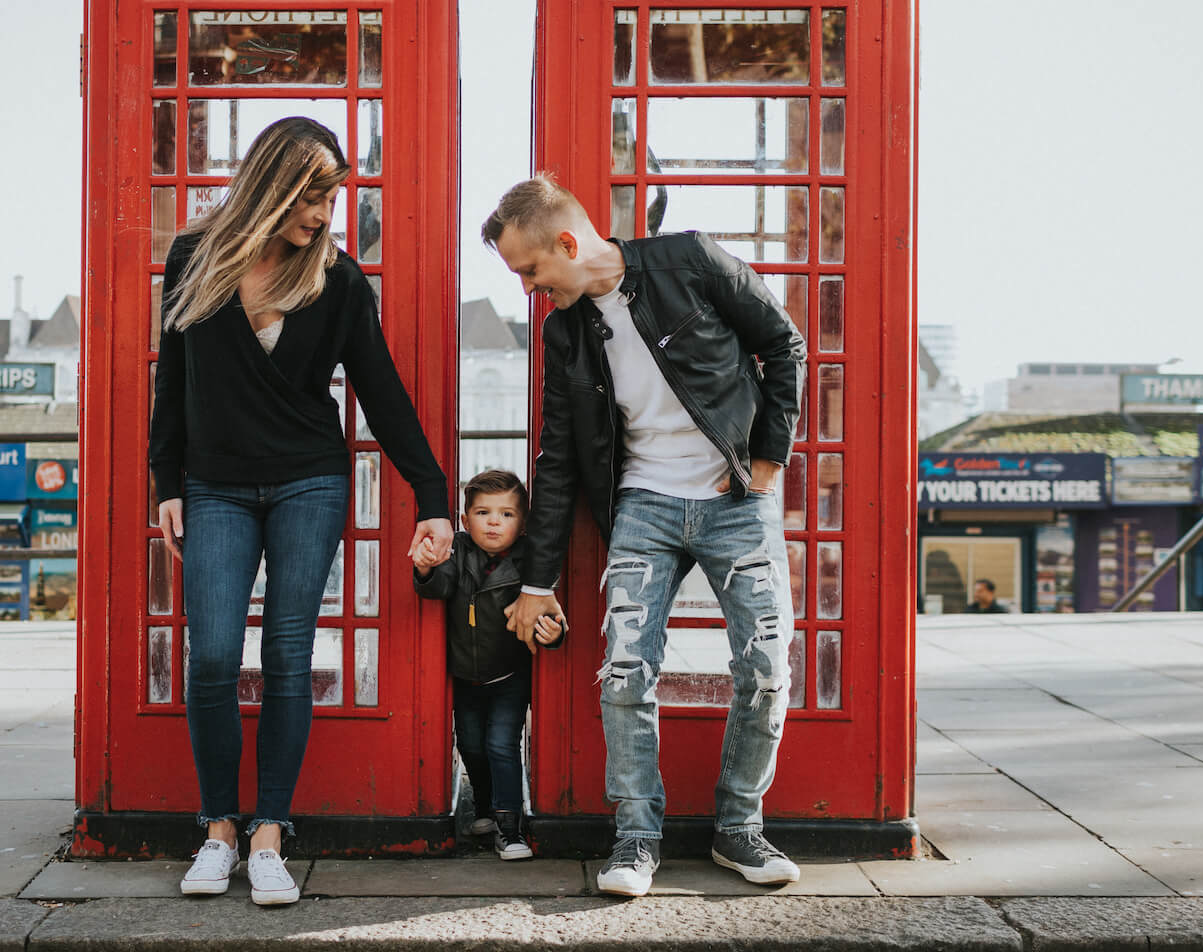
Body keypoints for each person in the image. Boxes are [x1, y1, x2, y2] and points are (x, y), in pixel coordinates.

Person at [150, 116, 452, 906]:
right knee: (212, 657)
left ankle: (269, 835)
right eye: (312, 195)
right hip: (214, 484)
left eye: (331, 199)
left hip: (308, 481)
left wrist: (433, 496)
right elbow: (171, 380)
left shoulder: (339, 280)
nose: (323, 214)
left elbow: (381, 392)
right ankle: (217, 828)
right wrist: (166, 481)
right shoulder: (195, 257)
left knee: (288, 657)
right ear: (271, 183)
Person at [484, 175, 806, 897]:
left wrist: (767, 459)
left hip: (735, 498)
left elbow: (784, 345)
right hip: (644, 507)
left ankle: (738, 829)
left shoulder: (689, 261)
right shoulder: (564, 329)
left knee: (766, 669)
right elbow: (559, 454)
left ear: (568, 243)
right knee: (626, 671)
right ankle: (636, 837)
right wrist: (536, 582)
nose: (530, 288)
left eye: (531, 270)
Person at [412, 469, 565, 860]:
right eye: (483, 512)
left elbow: (550, 609)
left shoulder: (533, 560)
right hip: (464, 675)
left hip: (510, 674)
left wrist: (554, 632)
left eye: (507, 514)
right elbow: (440, 586)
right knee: (471, 746)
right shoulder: (458, 551)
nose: (494, 521)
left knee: (501, 745)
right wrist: (427, 567)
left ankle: (509, 826)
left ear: (524, 521)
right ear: (464, 521)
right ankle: (482, 808)